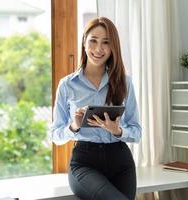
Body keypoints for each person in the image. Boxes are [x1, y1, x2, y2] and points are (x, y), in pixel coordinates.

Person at [51, 17, 141, 200]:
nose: (99, 49)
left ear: (113, 47)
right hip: (85, 162)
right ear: (84, 41)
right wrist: (74, 126)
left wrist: (117, 131)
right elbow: (55, 136)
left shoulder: (125, 82)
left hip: (121, 160)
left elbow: (137, 132)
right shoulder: (67, 85)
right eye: (93, 40)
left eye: (106, 42)